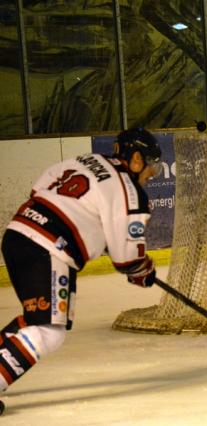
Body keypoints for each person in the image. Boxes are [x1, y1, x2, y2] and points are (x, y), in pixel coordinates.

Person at [0, 128, 162, 393]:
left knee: (35, 320)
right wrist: (144, 271)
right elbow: (127, 260)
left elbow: (39, 188)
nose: (153, 172)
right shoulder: (131, 192)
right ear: (135, 158)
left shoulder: (85, 160)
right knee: (49, 331)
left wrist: (94, 233)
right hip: (50, 249)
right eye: (151, 163)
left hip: (17, 235)